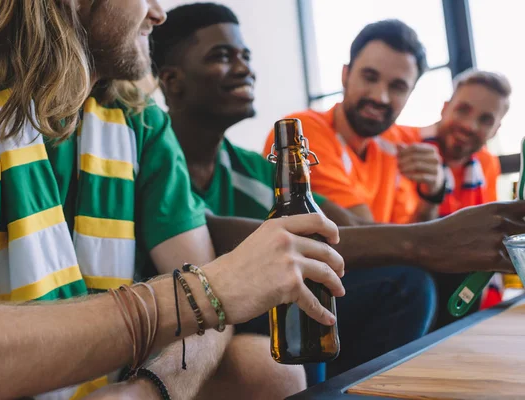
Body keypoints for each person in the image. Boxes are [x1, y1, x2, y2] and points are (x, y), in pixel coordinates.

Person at [0, 1, 345, 399]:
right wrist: (203, 291)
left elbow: (212, 321)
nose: (159, 14)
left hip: (119, 377)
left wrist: (150, 389)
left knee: (269, 371)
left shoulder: (140, 120)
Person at [149, 2, 524, 380]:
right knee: (394, 285)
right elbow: (210, 234)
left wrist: (436, 235)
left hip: (267, 297)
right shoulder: (157, 152)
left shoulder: (250, 165)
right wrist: (429, 240)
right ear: (172, 79)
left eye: (246, 56)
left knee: (412, 281)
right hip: (219, 306)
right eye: (223, 56)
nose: (246, 68)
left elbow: (340, 225)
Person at [262, 19, 445, 224]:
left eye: (397, 87)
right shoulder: (301, 134)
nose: (380, 97)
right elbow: (361, 235)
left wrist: (432, 194)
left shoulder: (394, 143)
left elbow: (409, 235)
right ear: (345, 75)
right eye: (370, 77)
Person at [418, 69, 511, 328]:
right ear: (445, 108)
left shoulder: (487, 163)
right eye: (463, 110)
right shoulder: (409, 148)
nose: (470, 126)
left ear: (495, 130)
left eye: (485, 119)